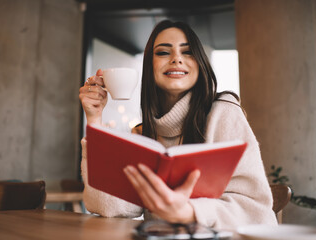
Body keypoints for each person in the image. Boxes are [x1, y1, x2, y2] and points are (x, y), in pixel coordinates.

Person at [79, 20, 277, 229]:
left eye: (188, 52)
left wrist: (189, 211)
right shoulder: (143, 133)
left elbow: (257, 212)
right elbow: (110, 207)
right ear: (149, 66)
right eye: (163, 53)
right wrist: (94, 121)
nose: (176, 59)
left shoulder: (224, 113)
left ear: (200, 63)